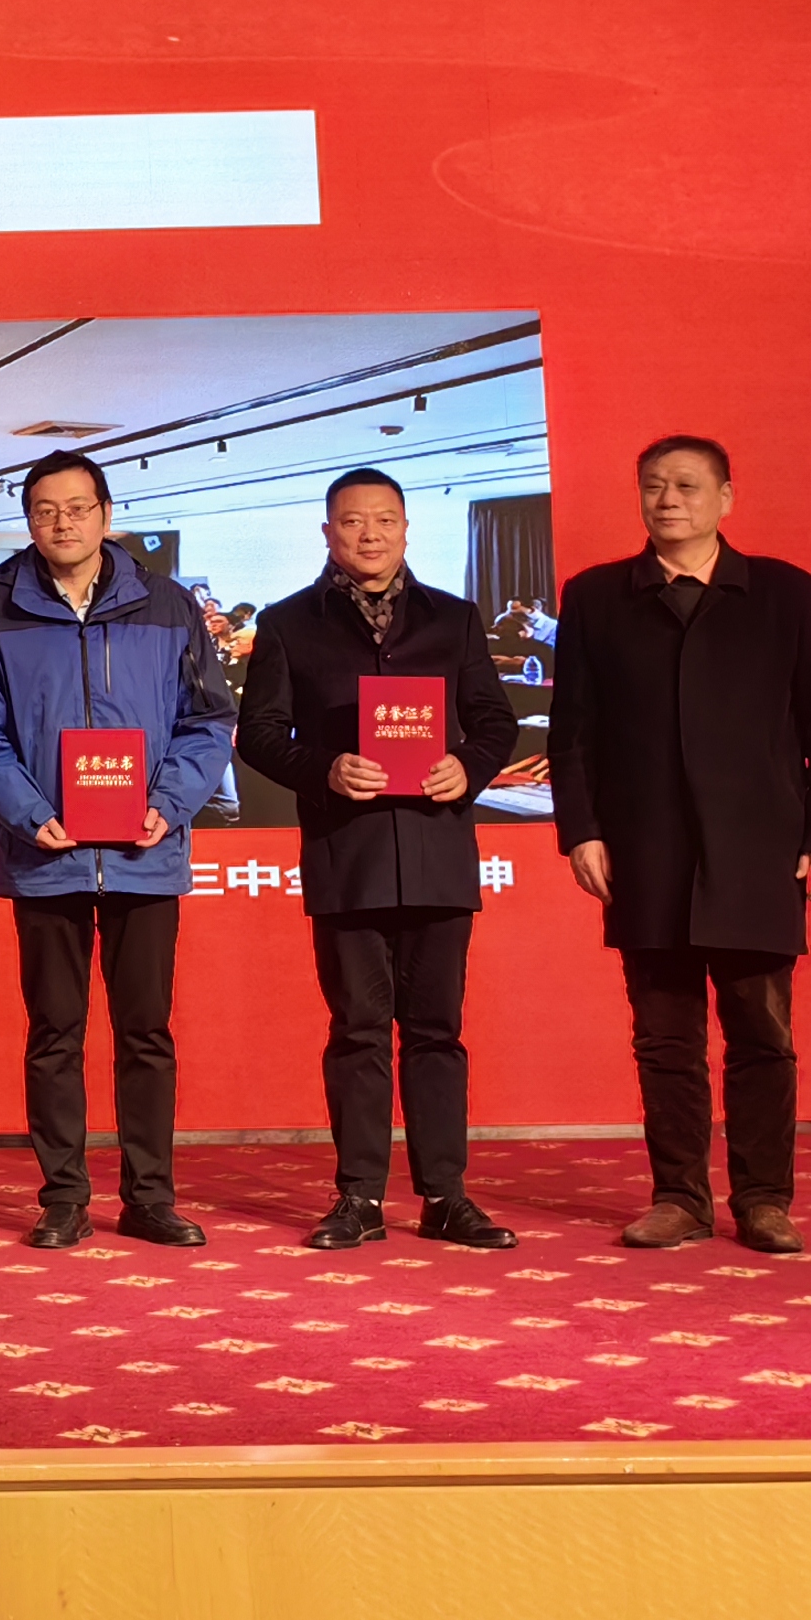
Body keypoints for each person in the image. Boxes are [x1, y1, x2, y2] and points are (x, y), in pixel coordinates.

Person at [547, 435, 811, 1256]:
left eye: (687, 486)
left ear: (726, 498)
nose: (668, 500)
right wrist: (581, 830)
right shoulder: (597, 597)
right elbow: (572, 733)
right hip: (647, 850)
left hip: (758, 849)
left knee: (762, 1034)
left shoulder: (786, 593)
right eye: (654, 486)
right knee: (665, 1039)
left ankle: (764, 1199)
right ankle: (679, 1197)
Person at [0, 450, 237, 1251]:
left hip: (146, 852)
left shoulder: (168, 606)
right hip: (46, 854)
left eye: (78, 507)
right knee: (55, 1033)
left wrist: (167, 804)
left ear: (106, 515)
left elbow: (207, 721)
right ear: (28, 520)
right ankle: (63, 1197)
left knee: (146, 1033)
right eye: (45, 510)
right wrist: (29, 813)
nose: (63, 522)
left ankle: (150, 1196)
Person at [235, 469, 522, 1253]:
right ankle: (358, 1196)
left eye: (385, 520)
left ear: (405, 529)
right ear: (328, 532)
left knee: (437, 1031)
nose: (370, 534)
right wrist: (324, 769)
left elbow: (494, 723)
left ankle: (446, 1196)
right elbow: (259, 735)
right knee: (358, 1030)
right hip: (347, 855)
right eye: (353, 521)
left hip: (437, 852)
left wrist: (469, 766)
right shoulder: (289, 623)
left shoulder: (454, 619)